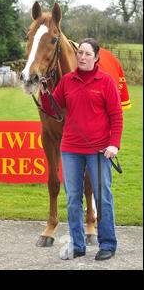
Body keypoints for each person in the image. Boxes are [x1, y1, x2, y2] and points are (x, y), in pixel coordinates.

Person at [41, 38, 123, 261]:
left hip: (98, 150)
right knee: (73, 197)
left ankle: (108, 243)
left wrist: (114, 144)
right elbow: (52, 107)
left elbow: (116, 116)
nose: (83, 57)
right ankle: (78, 244)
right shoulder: (67, 81)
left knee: (103, 196)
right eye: (81, 54)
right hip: (70, 150)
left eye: (88, 54)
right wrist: (42, 91)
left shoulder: (106, 81)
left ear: (96, 57)